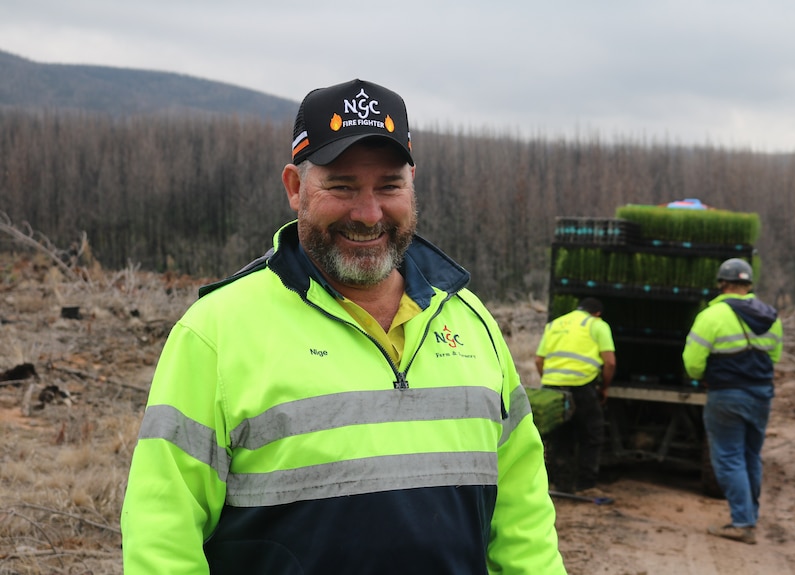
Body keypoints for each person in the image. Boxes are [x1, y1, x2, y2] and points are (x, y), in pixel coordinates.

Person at [120, 78, 567, 574]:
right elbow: (162, 534)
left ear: (412, 184)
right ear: (295, 188)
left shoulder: (471, 321)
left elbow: (523, 515)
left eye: (389, 186)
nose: (369, 213)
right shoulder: (217, 332)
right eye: (342, 186)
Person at [683, 258, 783, 545]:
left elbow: (692, 362)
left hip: (726, 394)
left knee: (729, 457)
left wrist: (700, 377)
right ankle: (750, 516)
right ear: (749, 284)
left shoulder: (712, 316)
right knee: (751, 455)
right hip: (761, 395)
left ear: (722, 284)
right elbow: (774, 357)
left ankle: (742, 523)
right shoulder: (771, 317)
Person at [535, 297, 616, 493]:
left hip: (552, 388)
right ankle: (585, 485)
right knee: (591, 434)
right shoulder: (597, 325)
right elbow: (610, 362)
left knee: (559, 436)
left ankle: (558, 483)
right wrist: (604, 387)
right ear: (597, 313)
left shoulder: (555, 324)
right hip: (581, 387)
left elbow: (538, 360)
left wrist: (551, 381)